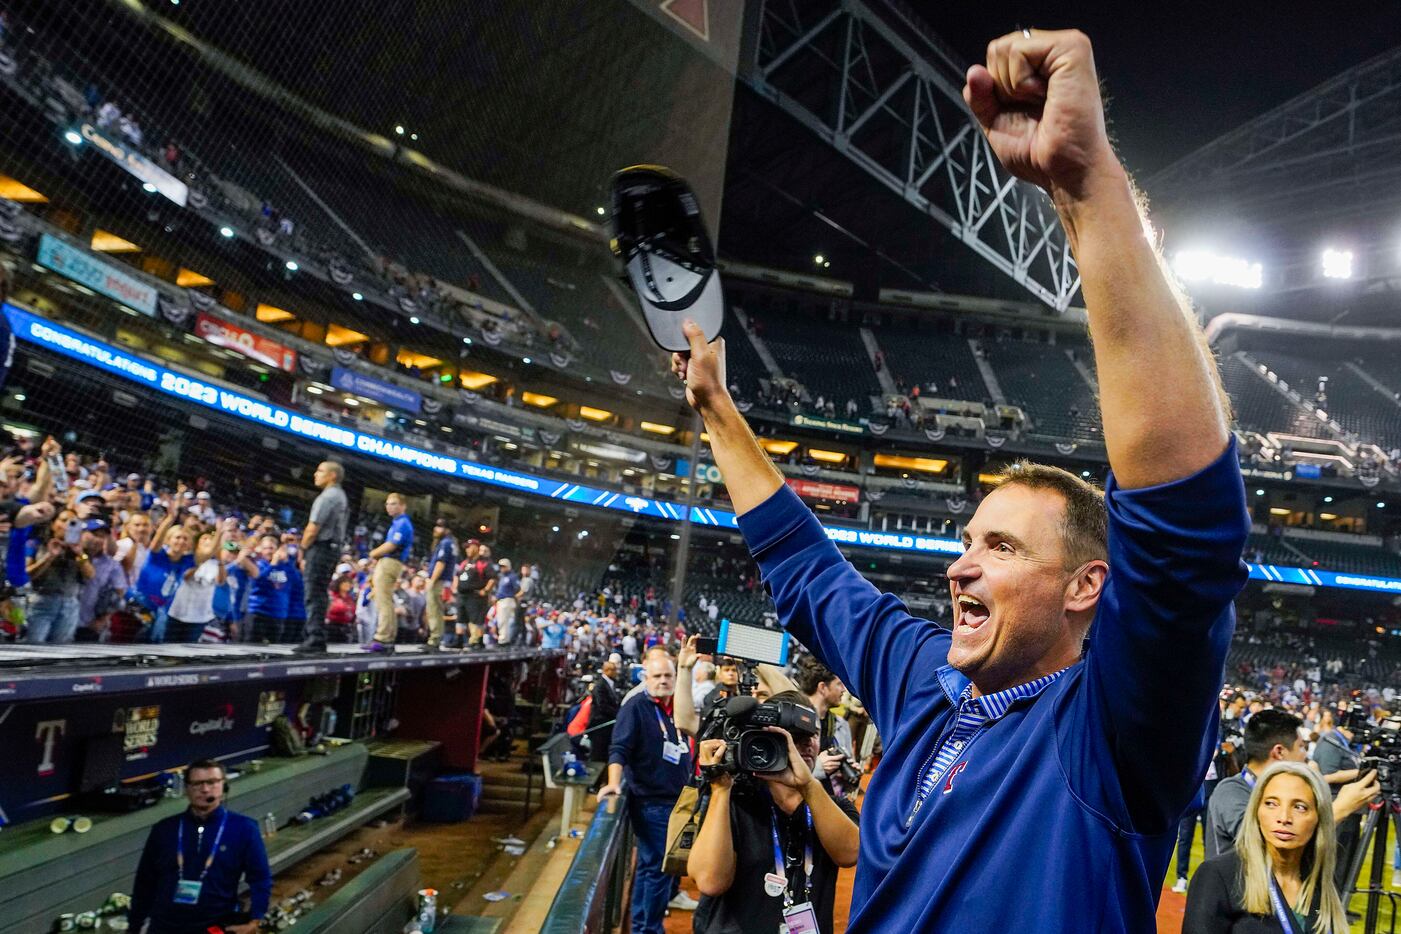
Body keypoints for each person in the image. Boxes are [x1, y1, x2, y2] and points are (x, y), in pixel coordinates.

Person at [669, 27, 1250, 931]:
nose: (958, 567)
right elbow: (806, 569)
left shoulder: (1112, 733)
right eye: (967, 541)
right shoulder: (924, 679)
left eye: (1001, 546)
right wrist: (715, 410)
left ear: (1085, 586)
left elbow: (1185, 526)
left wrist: (1089, 188)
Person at [689, 691, 860, 934]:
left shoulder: (833, 806)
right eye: (792, 737)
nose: (805, 745)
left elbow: (850, 853)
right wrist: (720, 789)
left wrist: (808, 785)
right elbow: (710, 881)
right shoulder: (733, 801)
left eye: (812, 735)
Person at [1184, 761, 1349, 933]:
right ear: (1256, 810)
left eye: (1299, 807)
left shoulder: (1321, 879)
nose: (1284, 817)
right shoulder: (1218, 876)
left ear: (1319, 817)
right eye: (1271, 803)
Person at [597, 654, 692, 934]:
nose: (663, 681)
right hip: (652, 803)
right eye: (657, 676)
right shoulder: (636, 706)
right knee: (658, 870)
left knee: (653, 869)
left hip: (673, 801)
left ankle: (643, 927)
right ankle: (647, 929)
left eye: (668, 676)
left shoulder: (672, 707)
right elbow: (619, 749)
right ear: (645, 678)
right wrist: (614, 782)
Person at [1208, 709, 1377, 861]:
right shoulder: (1231, 791)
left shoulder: (1279, 792)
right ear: (1279, 752)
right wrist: (1341, 808)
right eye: (1301, 747)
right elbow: (1261, 843)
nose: (1305, 756)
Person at [129, 759, 270, 934]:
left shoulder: (244, 829)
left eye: (211, 782)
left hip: (215, 925)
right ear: (187, 789)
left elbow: (260, 878)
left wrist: (255, 919)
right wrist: (134, 926)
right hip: (165, 926)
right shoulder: (164, 829)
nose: (205, 789)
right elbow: (145, 882)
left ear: (223, 786)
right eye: (197, 783)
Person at [295, 460, 347, 653]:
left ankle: (314, 637)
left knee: (313, 592)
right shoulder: (340, 495)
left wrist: (302, 548)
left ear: (332, 475)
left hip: (322, 547)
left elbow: (313, 527)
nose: (316, 474)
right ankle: (315, 636)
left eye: (320, 471)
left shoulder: (328, 497)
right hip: (332, 548)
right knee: (319, 592)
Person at [1311, 707, 1365, 891]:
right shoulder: (1331, 742)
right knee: (1337, 858)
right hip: (1336, 804)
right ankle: (1334, 899)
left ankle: (1342, 898)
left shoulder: (1341, 742)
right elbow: (1326, 775)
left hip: (1350, 808)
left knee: (1346, 858)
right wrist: (1360, 772)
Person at [26, 514, 95, 643]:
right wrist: (49, 556)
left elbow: (90, 575)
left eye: (72, 522)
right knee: (34, 644)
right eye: (63, 520)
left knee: (62, 648)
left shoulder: (81, 548)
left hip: (69, 602)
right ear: (53, 524)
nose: (67, 525)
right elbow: (28, 574)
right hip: (42, 600)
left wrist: (80, 553)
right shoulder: (36, 544)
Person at [796, 657, 856, 793]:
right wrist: (818, 767)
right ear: (822, 687)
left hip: (832, 801)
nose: (844, 690)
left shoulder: (841, 725)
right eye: (839, 684)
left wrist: (849, 775)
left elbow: (847, 789)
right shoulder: (794, 721)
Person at [366, 493, 412, 653]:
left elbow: (391, 545)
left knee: (383, 600)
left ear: (402, 506)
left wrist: (372, 553)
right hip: (392, 563)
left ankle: (382, 638)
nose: (389, 506)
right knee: (386, 601)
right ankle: (388, 638)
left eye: (393, 503)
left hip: (390, 562)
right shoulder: (398, 522)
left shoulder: (402, 523)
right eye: (387, 503)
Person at [586, 653, 624, 781]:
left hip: (607, 728)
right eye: (614, 670)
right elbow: (602, 706)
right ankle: (593, 783)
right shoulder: (600, 686)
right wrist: (618, 714)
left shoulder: (610, 684)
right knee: (597, 756)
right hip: (599, 726)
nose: (617, 673)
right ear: (608, 671)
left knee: (603, 755)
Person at [454, 540, 493, 649]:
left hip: (475, 595)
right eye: (466, 547)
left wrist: (485, 590)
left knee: (476, 619)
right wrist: (455, 587)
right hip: (462, 594)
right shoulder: (464, 563)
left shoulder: (483, 563)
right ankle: (459, 640)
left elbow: (492, 578)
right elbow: (457, 575)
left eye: (469, 547)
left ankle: (478, 641)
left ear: (476, 547)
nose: (467, 549)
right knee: (460, 618)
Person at [426, 517, 457, 650]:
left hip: (439, 581)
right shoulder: (451, 543)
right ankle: (436, 639)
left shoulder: (445, 543)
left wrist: (432, 581)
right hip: (444, 582)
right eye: (436, 526)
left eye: (440, 526)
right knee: (437, 610)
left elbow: (441, 563)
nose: (436, 528)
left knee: (434, 610)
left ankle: (434, 640)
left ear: (447, 530)